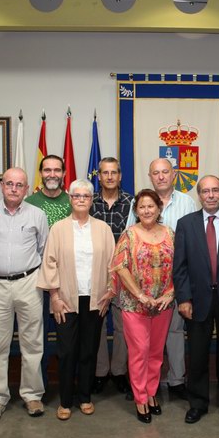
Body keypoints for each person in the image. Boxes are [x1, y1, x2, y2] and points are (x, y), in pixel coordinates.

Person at [0, 167, 49, 422]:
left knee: (32, 343)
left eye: (19, 185)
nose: (14, 189)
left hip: (29, 283)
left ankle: (32, 395)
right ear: (1, 186)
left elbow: (44, 249)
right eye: (9, 184)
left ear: (27, 189)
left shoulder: (37, 215)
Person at [37, 179, 116, 420]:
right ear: (70, 199)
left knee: (88, 351)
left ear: (92, 200)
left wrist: (109, 292)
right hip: (65, 300)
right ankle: (65, 401)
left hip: (95, 300)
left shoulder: (103, 229)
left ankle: (85, 397)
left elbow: (113, 264)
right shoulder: (58, 229)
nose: (81, 199)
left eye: (86, 196)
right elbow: (50, 262)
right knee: (67, 351)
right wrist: (54, 296)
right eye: (76, 196)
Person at [174, 175, 219, 426]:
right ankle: (197, 404)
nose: (211, 195)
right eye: (205, 191)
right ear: (199, 195)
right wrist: (184, 298)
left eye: (215, 190)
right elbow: (180, 267)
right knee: (197, 356)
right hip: (197, 300)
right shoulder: (186, 224)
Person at [126, 158, 196, 400]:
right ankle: (142, 387)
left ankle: (176, 381)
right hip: (142, 288)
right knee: (142, 342)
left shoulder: (187, 202)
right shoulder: (139, 202)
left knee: (175, 332)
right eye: (156, 173)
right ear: (150, 176)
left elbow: (192, 243)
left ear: (174, 174)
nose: (161, 176)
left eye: (165, 172)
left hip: (175, 283)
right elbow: (128, 242)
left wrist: (177, 288)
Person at [111, 189, 176, 423]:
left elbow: (180, 266)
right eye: (142, 207)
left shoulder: (170, 233)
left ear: (159, 208)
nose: (147, 210)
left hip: (163, 304)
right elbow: (120, 267)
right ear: (136, 211)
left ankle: (151, 393)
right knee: (140, 351)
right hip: (134, 305)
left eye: (151, 206)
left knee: (156, 353)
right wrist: (139, 295)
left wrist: (170, 293)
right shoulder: (129, 235)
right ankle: (140, 398)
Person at [26, 154, 72, 389]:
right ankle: (39, 386)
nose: (52, 174)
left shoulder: (73, 200)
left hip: (67, 281)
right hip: (36, 280)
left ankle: (69, 386)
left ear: (64, 174)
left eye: (57, 170)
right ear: (41, 174)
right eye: (47, 170)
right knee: (37, 337)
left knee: (68, 337)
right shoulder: (29, 203)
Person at [91, 157, 133, 396]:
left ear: (120, 176)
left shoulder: (131, 202)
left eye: (113, 172)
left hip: (124, 273)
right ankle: (99, 372)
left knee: (122, 326)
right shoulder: (89, 201)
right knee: (96, 324)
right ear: (99, 176)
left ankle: (118, 371)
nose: (109, 177)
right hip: (95, 273)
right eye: (105, 173)